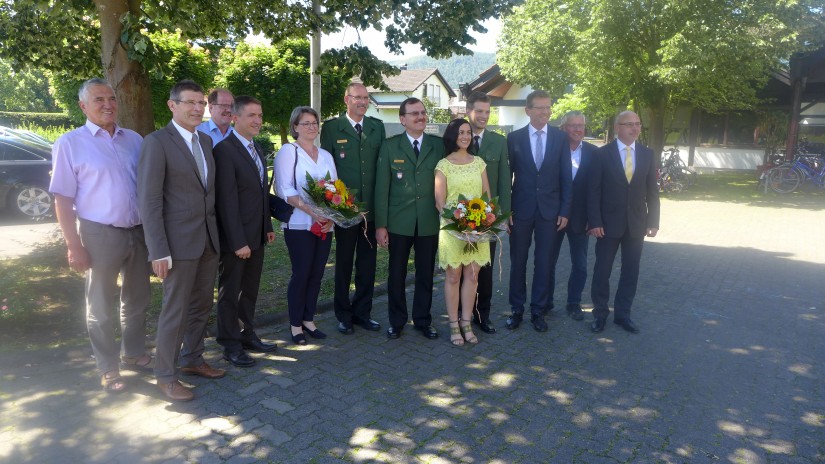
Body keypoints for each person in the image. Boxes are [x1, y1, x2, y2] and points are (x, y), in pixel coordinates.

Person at [50, 78, 152, 393]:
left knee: (137, 299)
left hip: (137, 232)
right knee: (100, 304)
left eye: (111, 98)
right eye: (98, 100)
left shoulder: (134, 139)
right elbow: (62, 200)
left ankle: (133, 353)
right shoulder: (70, 143)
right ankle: (108, 367)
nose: (108, 104)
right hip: (99, 234)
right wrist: (73, 246)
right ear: (83, 106)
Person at [138, 80, 225, 402]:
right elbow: (149, 200)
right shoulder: (157, 143)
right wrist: (158, 249)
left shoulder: (204, 141)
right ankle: (165, 375)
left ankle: (192, 360)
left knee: (201, 305)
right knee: (174, 311)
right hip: (176, 245)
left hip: (207, 241)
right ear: (172, 105)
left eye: (201, 103)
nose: (197, 108)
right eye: (189, 102)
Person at [214, 96, 278, 368]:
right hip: (237, 241)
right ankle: (230, 345)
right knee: (231, 293)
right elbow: (226, 201)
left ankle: (247, 334)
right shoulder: (224, 150)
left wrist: (267, 227)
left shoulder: (256, 148)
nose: (258, 121)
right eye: (252, 115)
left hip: (257, 236)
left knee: (249, 291)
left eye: (260, 115)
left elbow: (262, 193)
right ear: (234, 117)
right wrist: (238, 241)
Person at [374, 97, 445, 340]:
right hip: (399, 221)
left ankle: (423, 320)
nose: (420, 117)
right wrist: (381, 225)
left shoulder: (438, 146)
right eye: (414, 113)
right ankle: (397, 321)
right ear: (402, 119)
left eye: (423, 113)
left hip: (428, 221)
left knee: (426, 273)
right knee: (396, 274)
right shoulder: (390, 146)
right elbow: (382, 188)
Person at [319, 82, 385, 335]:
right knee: (344, 263)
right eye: (357, 97)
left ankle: (363, 313)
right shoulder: (332, 128)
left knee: (368, 264)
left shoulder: (376, 127)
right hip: (344, 210)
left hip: (370, 210)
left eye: (365, 98)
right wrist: (334, 206)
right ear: (346, 99)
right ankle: (343, 314)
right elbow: (326, 168)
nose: (362, 102)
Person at [587, 110, 660, 334]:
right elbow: (593, 191)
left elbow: (652, 190)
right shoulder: (602, 154)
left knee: (631, 271)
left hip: (637, 224)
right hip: (607, 224)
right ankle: (599, 314)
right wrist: (595, 221)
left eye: (638, 124)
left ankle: (623, 314)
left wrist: (654, 221)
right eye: (629, 124)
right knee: (602, 271)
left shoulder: (648, 154)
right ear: (617, 127)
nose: (635, 128)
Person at [506, 90, 572, 332]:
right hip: (520, 211)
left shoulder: (560, 138)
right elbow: (507, 177)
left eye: (548, 108)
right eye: (541, 108)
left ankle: (538, 310)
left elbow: (566, 176)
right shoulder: (514, 138)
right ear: (528, 110)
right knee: (518, 262)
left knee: (544, 262)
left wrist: (565, 209)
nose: (546, 112)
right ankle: (516, 309)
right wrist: (507, 211)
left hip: (550, 212)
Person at [274, 106, 336, 345]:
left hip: (324, 225)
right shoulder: (290, 152)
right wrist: (313, 212)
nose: (311, 127)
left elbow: (335, 190)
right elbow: (284, 189)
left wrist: (331, 214)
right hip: (300, 224)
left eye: (314, 122)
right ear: (295, 127)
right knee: (301, 274)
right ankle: (295, 325)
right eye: (306, 123)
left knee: (317, 274)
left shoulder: (326, 155)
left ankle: (309, 319)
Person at [435, 119, 491, 346]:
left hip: (477, 230)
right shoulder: (443, 165)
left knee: (472, 275)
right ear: (452, 135)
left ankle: (467, 322)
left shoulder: (479, 163)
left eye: (468, 132)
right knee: (453, 275)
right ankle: (453, 324)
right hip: (452, 229)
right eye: (461, 132)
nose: (465, 136)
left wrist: (480, 224)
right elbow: (440, 202)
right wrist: (461, 226)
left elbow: (487, 197)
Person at [462, 91, 510, 334]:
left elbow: (503, 182)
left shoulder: (499, 142)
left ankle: (483, 315)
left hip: (487, 218)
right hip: (459, 218)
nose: (483, 116)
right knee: (461, 267)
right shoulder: (458, 137)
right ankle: (463, 316)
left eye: (487, 112)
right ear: (468, 111)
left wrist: (503, 215)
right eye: (479, 111)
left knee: (485, 267)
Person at [551, 111, 597, 321]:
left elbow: (596, 189)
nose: (579, 129)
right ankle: (545, 302)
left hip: (580, 219)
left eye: (581, 125)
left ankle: (573, 303)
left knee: (580, 264)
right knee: (547, 261)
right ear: (563, 128)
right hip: (555, 217)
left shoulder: (593, 153)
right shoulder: (553, 150)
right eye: (573, 125)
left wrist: (593, 218)